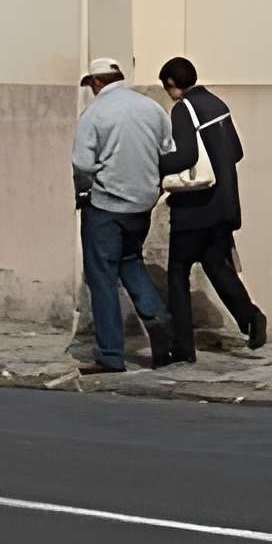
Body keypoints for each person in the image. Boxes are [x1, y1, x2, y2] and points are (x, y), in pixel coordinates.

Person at [70, 55, 176, 373]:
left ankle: (110, 354)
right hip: (142, 203)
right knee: (131, 262)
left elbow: (82, 163)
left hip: (105, 203)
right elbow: (167, 150)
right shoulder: (151, 108)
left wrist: (87, 189)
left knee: (101, 276)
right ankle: (158, 320)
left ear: (96, 82)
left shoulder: (96, 112)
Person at [157, 57, 266, 361]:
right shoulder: (217, 104)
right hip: (224, 203)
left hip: (195, 208)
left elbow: (185, 156)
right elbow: (237, 151)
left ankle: (183, 346)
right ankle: (251, 317)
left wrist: (157, 165)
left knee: (177, 272)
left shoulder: (184, 109)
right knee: (216, 264)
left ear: (171, 85)